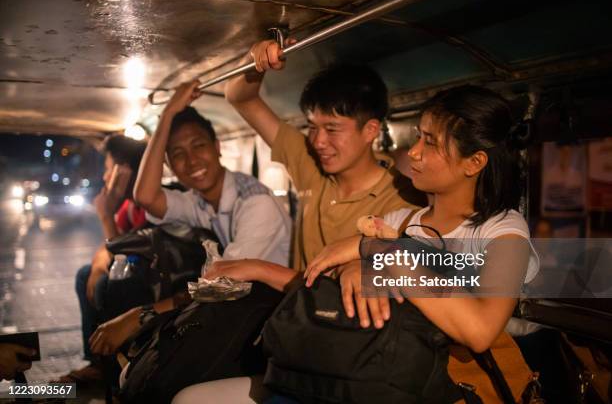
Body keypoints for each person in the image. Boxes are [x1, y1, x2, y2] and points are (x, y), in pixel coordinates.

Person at [304, 85, 540, 401]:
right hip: (398, 376)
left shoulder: (504, 231)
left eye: (430, 142)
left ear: (474, 163)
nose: (413, 151)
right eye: (418, 136)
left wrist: (378, 251)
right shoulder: (402, 220)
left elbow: (480, 330)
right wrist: (353, 269)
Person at [87, 83, 292, 356]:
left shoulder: (255, 204)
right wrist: (168, 113)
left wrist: (139, 316)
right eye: (178, 154)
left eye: (199, 146)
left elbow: (218, 287)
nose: (192, 161)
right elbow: (147, 197)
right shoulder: (200, 199)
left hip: (267, 320)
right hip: (233, 306)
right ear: (169, 165)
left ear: (218, 147)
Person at [208, 39, 426, 293]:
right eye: (312, 127)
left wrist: (259, 269)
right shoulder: (311, 163)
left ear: (370, 131)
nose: (319, 141)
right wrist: (255, 60)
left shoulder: (403, 204)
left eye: (332, 129)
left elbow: (342, 291)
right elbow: (239, 97)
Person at [54, 136, 147, 385]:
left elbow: (123, 251)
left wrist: (106, 214)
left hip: (151, 287)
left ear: (124, 170)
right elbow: (107, 248)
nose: (105, 177)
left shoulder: (149, 204)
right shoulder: (129, 205)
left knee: (112, 286)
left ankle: (116, 368)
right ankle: (97, 361)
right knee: (87, 273)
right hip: (134, 278)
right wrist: (97, 266)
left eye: (108, 170)